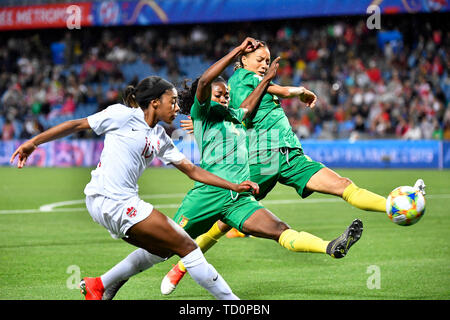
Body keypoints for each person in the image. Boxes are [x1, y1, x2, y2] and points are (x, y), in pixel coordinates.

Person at [95, 38, 363, 300]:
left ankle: (330, 247)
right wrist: (235, 51)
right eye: (219, 95)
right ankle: (114, 280)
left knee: (279, 229)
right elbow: (203, 82)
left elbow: (248, 106)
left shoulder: (234, 116)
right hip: (207, 197)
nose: (224, 98)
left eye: (227, 95)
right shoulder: (202, 113)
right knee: (164, 249)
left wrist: (267, 79)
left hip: (238, 199)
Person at [160, 40, 427, 294]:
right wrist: (297, 91)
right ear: (242, 60)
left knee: (343, 185)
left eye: (267, 60)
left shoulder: (253, 84)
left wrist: (212, 123)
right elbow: (248, 107)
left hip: (290, 156)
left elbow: (238, 113)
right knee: (221, 221)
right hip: (260, 159)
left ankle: (395, 205)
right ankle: (181, 265)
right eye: (260, 59)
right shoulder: (240, 79)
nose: (265, 64)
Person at [10, 75, 264, 300]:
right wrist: (34, 142)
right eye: (172, 101)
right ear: (155, 102)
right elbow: (77, 124)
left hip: (113, 203)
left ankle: (98, 285)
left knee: (165, 249)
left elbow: (192, 170)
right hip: (112, 200)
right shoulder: (121, 115)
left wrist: (233, 185)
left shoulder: (160, 136)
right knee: (187, 245)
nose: (177, 107)